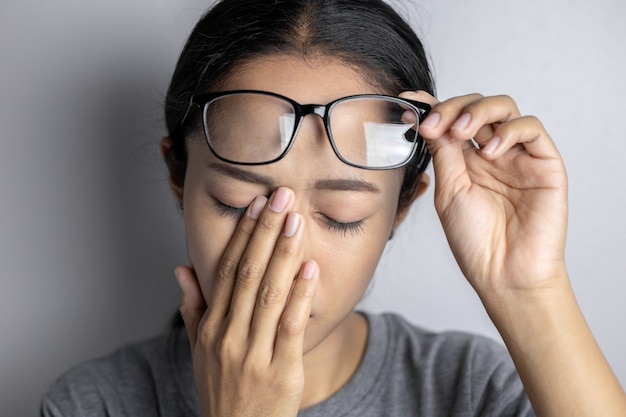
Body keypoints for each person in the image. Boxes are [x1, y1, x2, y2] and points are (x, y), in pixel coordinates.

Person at [40, 0, 626, 416]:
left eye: (341, 214)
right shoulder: (94, 403)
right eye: (237, 200)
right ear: (178, 176)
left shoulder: (474, 391)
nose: (284, 260)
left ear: (400, 211)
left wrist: (529, 288)